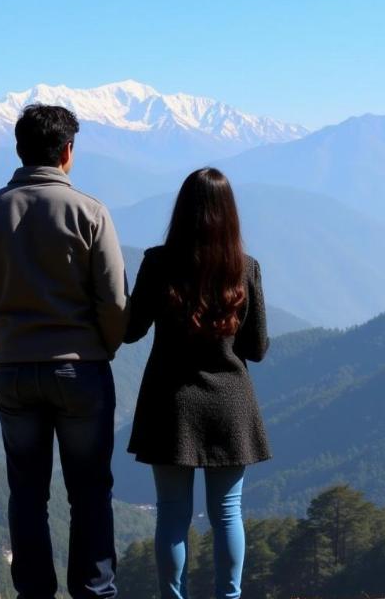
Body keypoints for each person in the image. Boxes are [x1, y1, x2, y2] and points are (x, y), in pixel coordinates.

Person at [0, 103, 129, 599]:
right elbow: (114, 299)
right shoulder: (91, 212)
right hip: (81, 372)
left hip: (13, 371)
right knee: (90, 491)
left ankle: (34, 593)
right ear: (68, 152)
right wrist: (103, 346)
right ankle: (94, 591)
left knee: (27, 494)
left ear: (18, 148)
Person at [124, 167, 270, 599]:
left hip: (170, 404)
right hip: (230, 403)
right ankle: (229, 596)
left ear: (182, 211)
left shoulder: (158, 262)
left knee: (172, 512)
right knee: (227, 513)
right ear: (230, 214)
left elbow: (131, 330)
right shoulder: (246, 269)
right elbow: (257, 348)